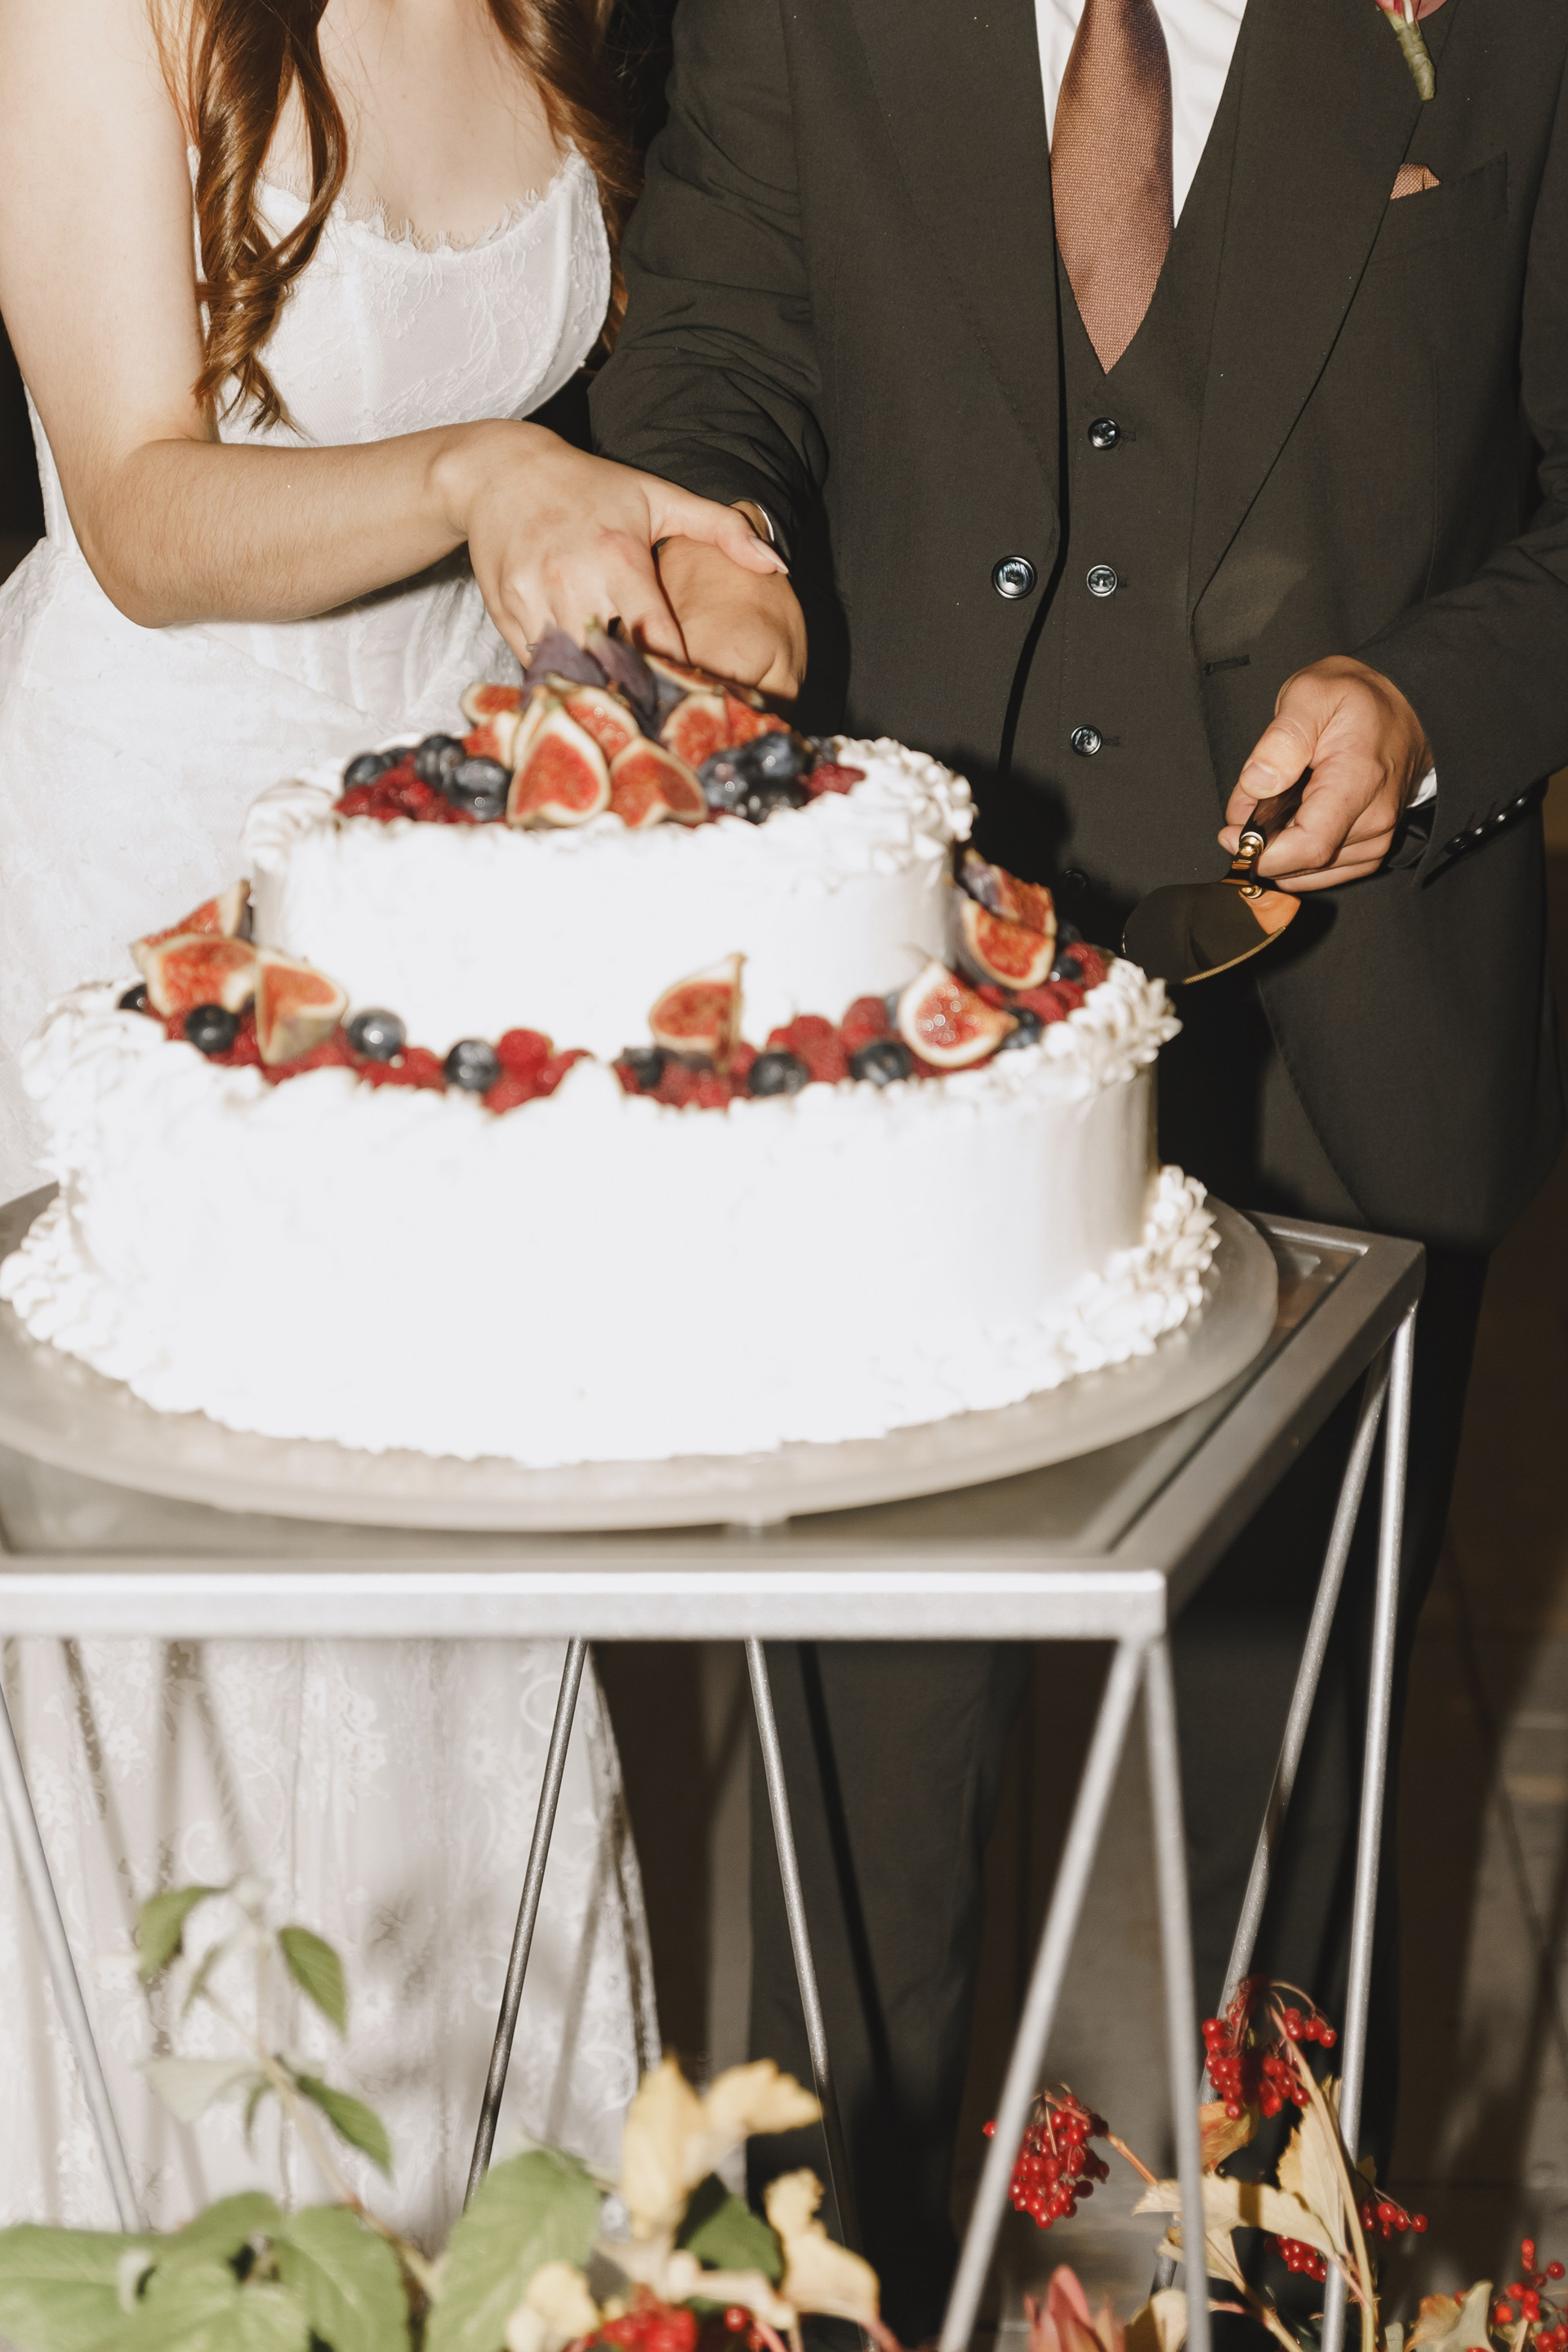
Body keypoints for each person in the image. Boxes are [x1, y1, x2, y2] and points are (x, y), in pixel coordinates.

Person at [591, 0, 1568, 2332]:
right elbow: (719, 339)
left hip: (1348, 1064)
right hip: (903, 1037)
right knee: (863, 1810)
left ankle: (1280, 2309)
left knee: (1292, 1812)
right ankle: (837, 2300)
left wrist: (1434, 707)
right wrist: (719, 548)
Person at [0, 0, 777, 2234]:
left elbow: (592, 441)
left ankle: (476, 2249)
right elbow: (139, 509)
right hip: (157, 894)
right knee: (199, 1672)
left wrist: (682, 584)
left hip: (448, 876)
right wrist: (474, 478)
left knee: (457, 1619)